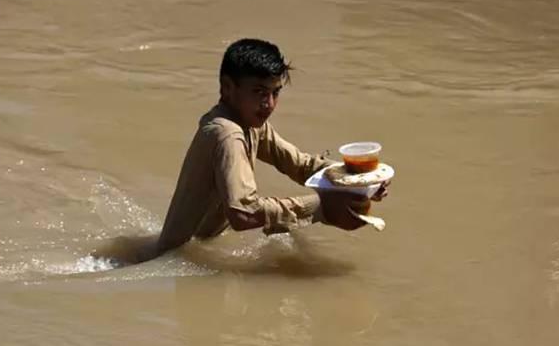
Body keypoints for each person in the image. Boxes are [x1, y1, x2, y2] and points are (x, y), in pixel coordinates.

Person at [155, 38, 388, 256]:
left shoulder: (250, 123)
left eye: (275, 92)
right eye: (259, 92)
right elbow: (243, 214)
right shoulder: (226, 134)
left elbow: (300, 165)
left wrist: (360, 181)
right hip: (175, 257)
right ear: (227, 88)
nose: (269, 104)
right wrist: (322, 207)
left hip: (199, 250)